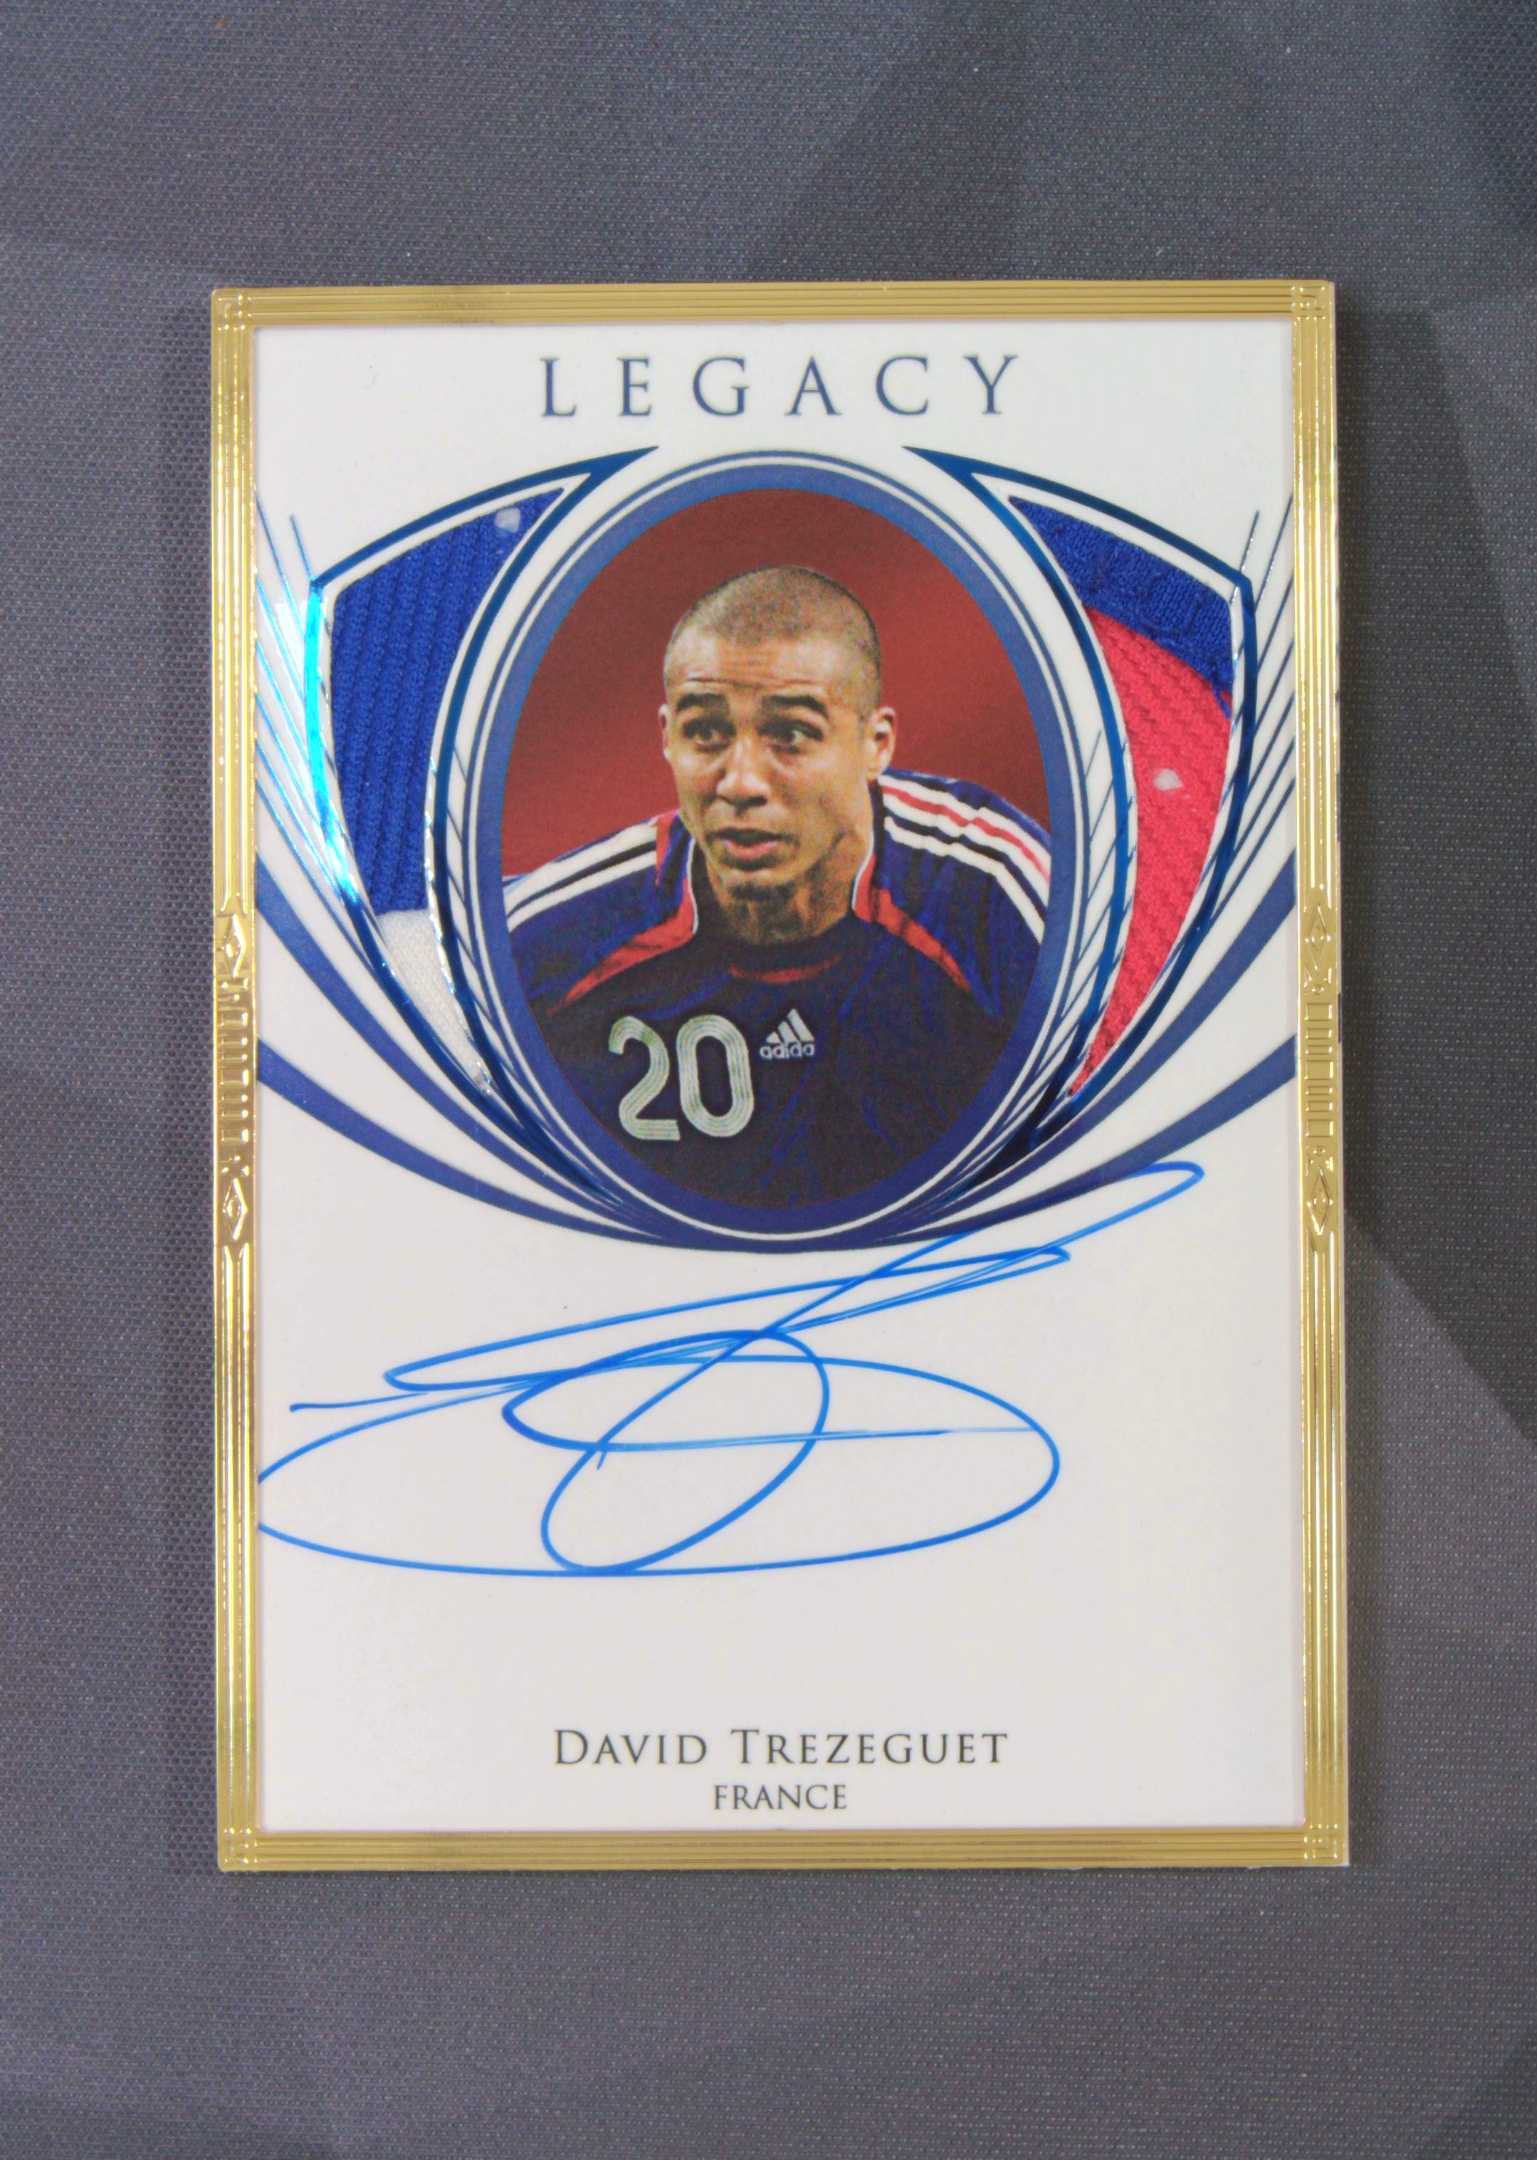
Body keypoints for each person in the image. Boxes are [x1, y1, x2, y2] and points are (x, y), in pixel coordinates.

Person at [506, 566, 1050, 1208]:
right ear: (667, 739)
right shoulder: (551, 934)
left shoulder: (992, 889)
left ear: (875, 746)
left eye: (790, 735)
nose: (740, 782)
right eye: (706, 732)